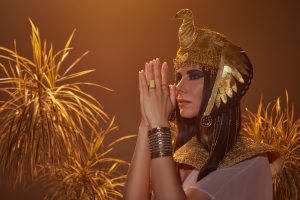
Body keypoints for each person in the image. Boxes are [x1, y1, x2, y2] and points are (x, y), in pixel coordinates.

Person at [124, 8, 281, 200]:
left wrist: (159, 126)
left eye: (195, 75)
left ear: (221, 85)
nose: (180, 86)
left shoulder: (250, 160)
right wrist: (147, 122)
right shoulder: (182, 156)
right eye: (179, 76)